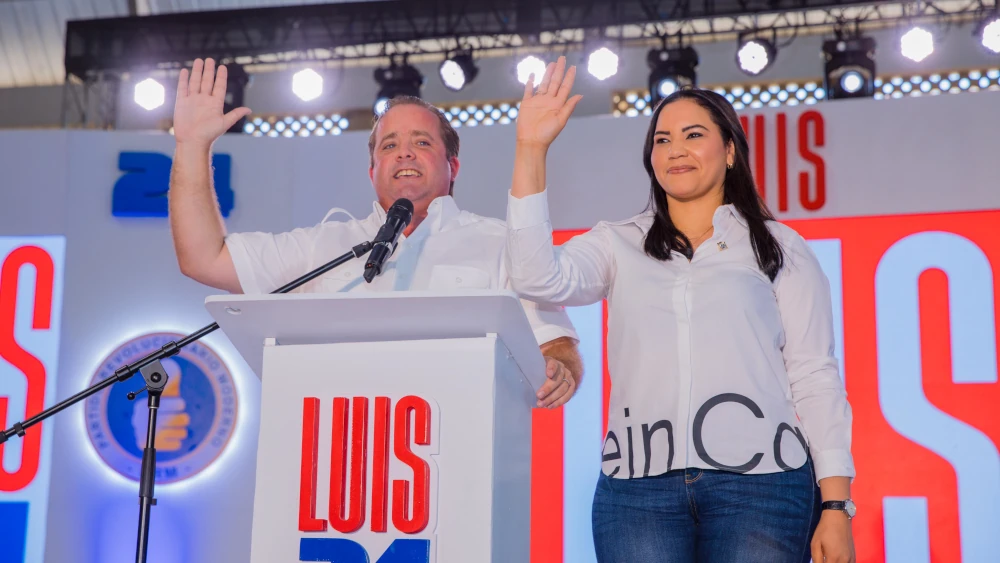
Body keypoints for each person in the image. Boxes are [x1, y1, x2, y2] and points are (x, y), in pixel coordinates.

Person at [504, 57, 856, 562]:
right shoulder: (616, 243)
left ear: (730, 150)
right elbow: (536, 275)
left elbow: (815, 376)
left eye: (693, 135)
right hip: (638, 495)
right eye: (662, 140)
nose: (675, 151)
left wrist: (836, 504)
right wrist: (531, 148)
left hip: (763, 489)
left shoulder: (780, 246)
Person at [167, 58, 583, 409]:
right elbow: (203, 258)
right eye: (389, 146)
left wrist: (560, 369)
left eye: (421, 142)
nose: (404, 152)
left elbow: (557, 345)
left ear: (452, 167)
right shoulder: (323, 248)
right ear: (372, 173)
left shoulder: (502, 244)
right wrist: (191, 146)